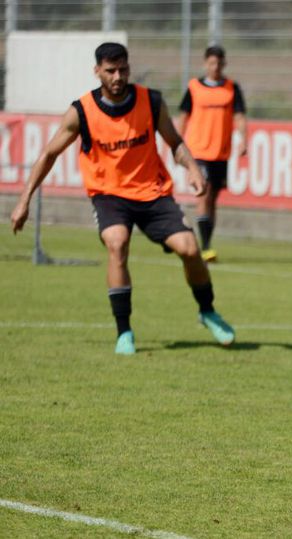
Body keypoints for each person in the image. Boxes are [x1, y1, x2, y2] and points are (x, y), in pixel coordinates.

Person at [10, 42, 235, 355]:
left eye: (123, 69)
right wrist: (24, 200)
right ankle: (124, 331)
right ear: (97, 71)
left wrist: (194, 171)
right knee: (117, 243)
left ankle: (207, 310)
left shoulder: (150, 101)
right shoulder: (82, 111)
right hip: (109, 195)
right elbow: (49, 154)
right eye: (110, 71)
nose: (118, 76)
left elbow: (175, 141)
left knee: (189, 248)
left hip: (153, 193)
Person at [176, 45, 248, 263]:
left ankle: (205, 240)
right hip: (198, 151)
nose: (215, 67)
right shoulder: (194, 87)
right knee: (204, 195)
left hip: (221, 153)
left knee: (213, 200)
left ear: (224, 64)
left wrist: (243, 139)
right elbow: (183, 116)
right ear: (205, 63)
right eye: (211, 63)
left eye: (219, 63)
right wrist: (177, 144)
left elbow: (240, 117)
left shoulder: (231, 88)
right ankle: (206, 247)